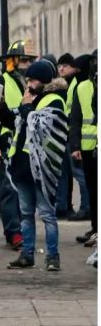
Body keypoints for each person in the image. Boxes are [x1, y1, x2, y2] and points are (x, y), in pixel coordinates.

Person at [0, 59, 68, 271]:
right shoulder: (33, 99)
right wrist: (0, 107)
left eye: (32, 80)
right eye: (28, 80)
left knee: (46, 214)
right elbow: (14, 120)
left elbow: (39, 124)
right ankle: (27, 254)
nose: (28, 84)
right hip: (23, 165)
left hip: (41, 168)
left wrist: (26, 107)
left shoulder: (54, 100)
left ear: (43, 81)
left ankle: (53, 257)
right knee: (25, 214)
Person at [0, 40, 35, 251]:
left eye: (31, 60)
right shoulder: (0, 83)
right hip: (6, 142)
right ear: (12, 61)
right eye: (24, 60)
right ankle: (14, 232)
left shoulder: (33, 83)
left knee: (25, 189)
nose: (28, 64)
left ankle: (23, 229)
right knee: (9, 190)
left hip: (27, 142)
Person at [56, 53, 92, 220]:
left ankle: (87, 208)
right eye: (60, 65)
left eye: (67, 66)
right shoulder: (74, 84)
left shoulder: (79, 84)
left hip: (83, 137)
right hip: (76, 135)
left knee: (81, 174)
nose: (63, 69)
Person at [69, 53, 97, 247]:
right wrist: (76, 145)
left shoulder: (81, 86)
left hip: (88, 147)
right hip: (88, 148)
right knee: (94, 191)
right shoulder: (82, 87)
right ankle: (96, 229)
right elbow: (76, 119)